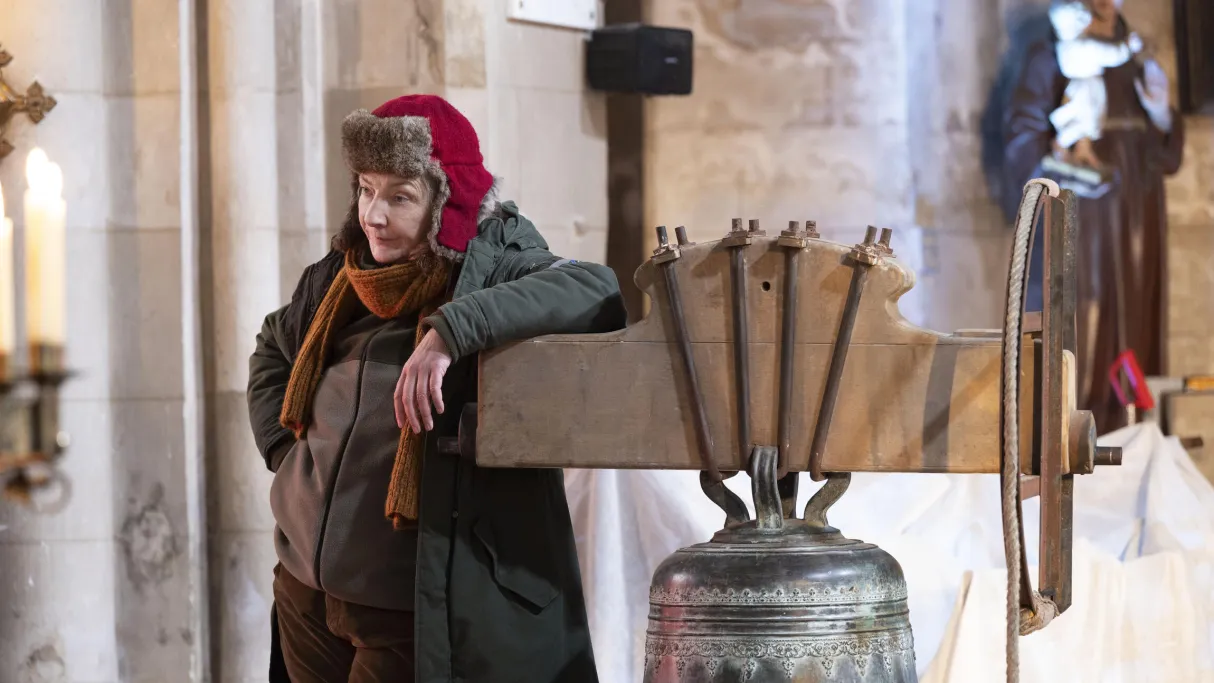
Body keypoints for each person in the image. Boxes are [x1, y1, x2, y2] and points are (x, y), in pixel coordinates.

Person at [246, 94, 627, 682]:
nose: (374, 216)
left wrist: (451, 330)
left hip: (408, 606)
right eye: (366, 190)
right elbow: (273, 343)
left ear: (447, 203)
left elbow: (596, 290)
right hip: (305, 593)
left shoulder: (494, 266)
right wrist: (284, 453)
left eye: (400, 197)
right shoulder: (342, 276)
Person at [1004, 0, 1184, 433]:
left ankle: (1137, 426)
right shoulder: (1053, 54)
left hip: (1138, 211)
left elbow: (1168, 157)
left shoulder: (1138, 57)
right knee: (1087, 321)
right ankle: (1081, 431)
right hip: (1084, 219)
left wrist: (1162, 115)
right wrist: (1066, 174)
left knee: (1138, 318)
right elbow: (1023, 143)